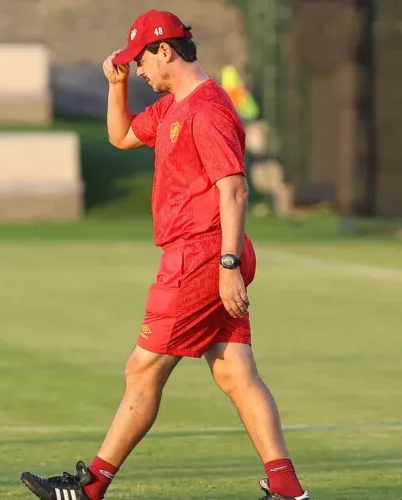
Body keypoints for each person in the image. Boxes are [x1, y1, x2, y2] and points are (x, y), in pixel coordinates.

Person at [19, 9, 310, 500]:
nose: (137, 70)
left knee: (143, 368)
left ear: (165, 52)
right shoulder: (174, 104)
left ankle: (90, 487)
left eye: (140, 61)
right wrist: (115, 86)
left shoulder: (207, 109)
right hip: (201, 254)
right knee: (235, 372)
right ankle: (286, 487)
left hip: (203, 256)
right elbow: (121, 135)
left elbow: (234, 190)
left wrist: (228, 265)